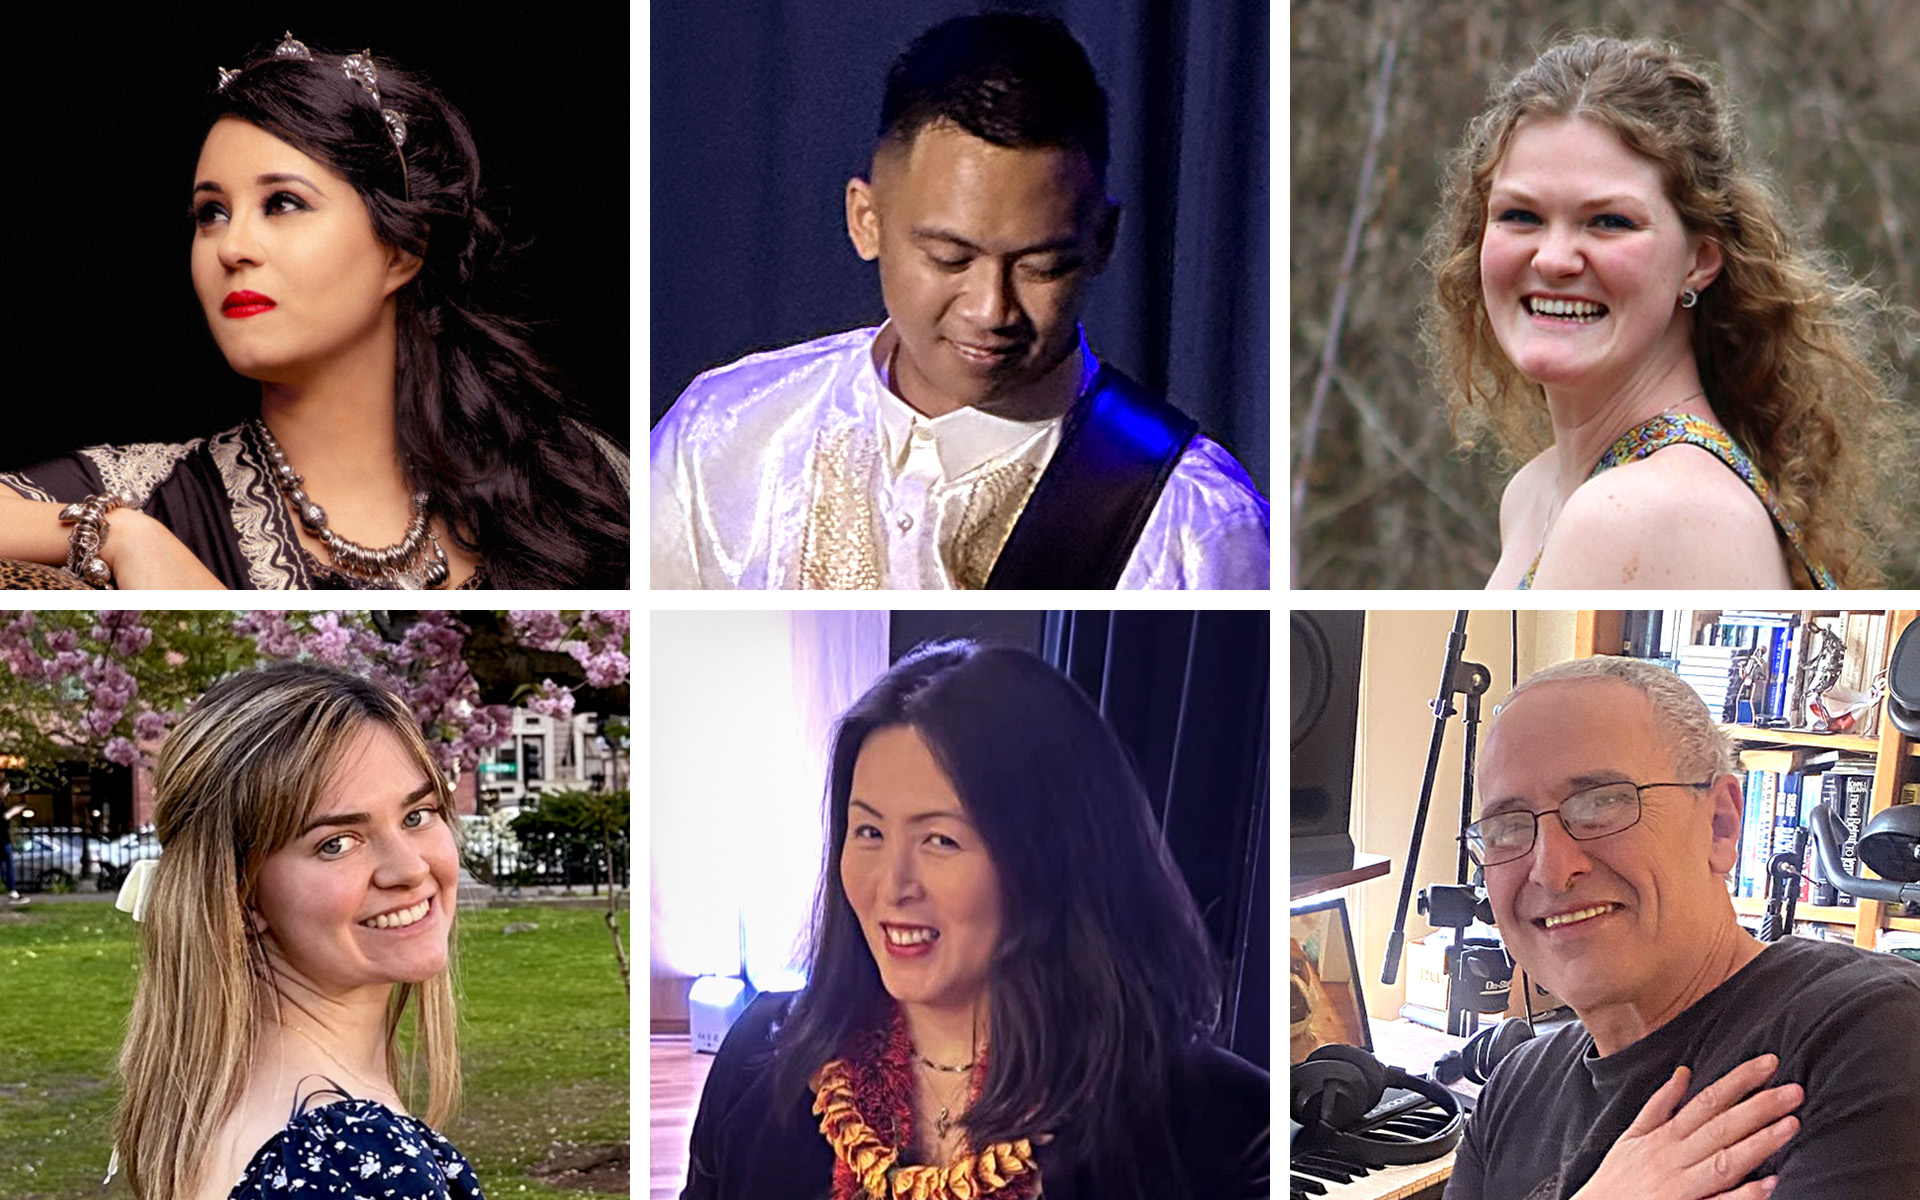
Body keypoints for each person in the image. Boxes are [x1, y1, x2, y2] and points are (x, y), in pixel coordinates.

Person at [651, 13, 1269, 590]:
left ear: (1102, 241)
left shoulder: (1193, 524)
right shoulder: (721, 436)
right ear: (866, 221)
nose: (990, 309)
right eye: (950, 258)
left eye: (1041, 267)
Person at [0, 31, 628, 590]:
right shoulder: (151, 495)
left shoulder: (580, 483)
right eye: (210, 214)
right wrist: (120, 536)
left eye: (282, 204)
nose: (234, 248)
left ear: (401, 249)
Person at [682, 641, 1268, 1199]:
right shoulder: (762, 1055)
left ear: (1053, 856)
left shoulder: (1221, 1126)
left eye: (940, 839)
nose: (892, 885)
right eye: (869, 833)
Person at [1424, 35, 1911, 590]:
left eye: (1609, 222)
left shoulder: (1636, 511)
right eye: (1520, 215)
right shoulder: (1537, 494)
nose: (1554, 258)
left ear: (1699, 261)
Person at [1444, 655, 1920, 1199]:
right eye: (1507, 827)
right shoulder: (1513, 1090)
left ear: (1720, 824)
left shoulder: (1872, 1034)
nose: (1552, 870)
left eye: (1602, 803)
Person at [112, 664, 482, 1200]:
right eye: (336, 842)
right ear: (241, 895)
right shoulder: (348, 1159)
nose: (408, 869)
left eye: (417, 814)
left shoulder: (220, 1105)